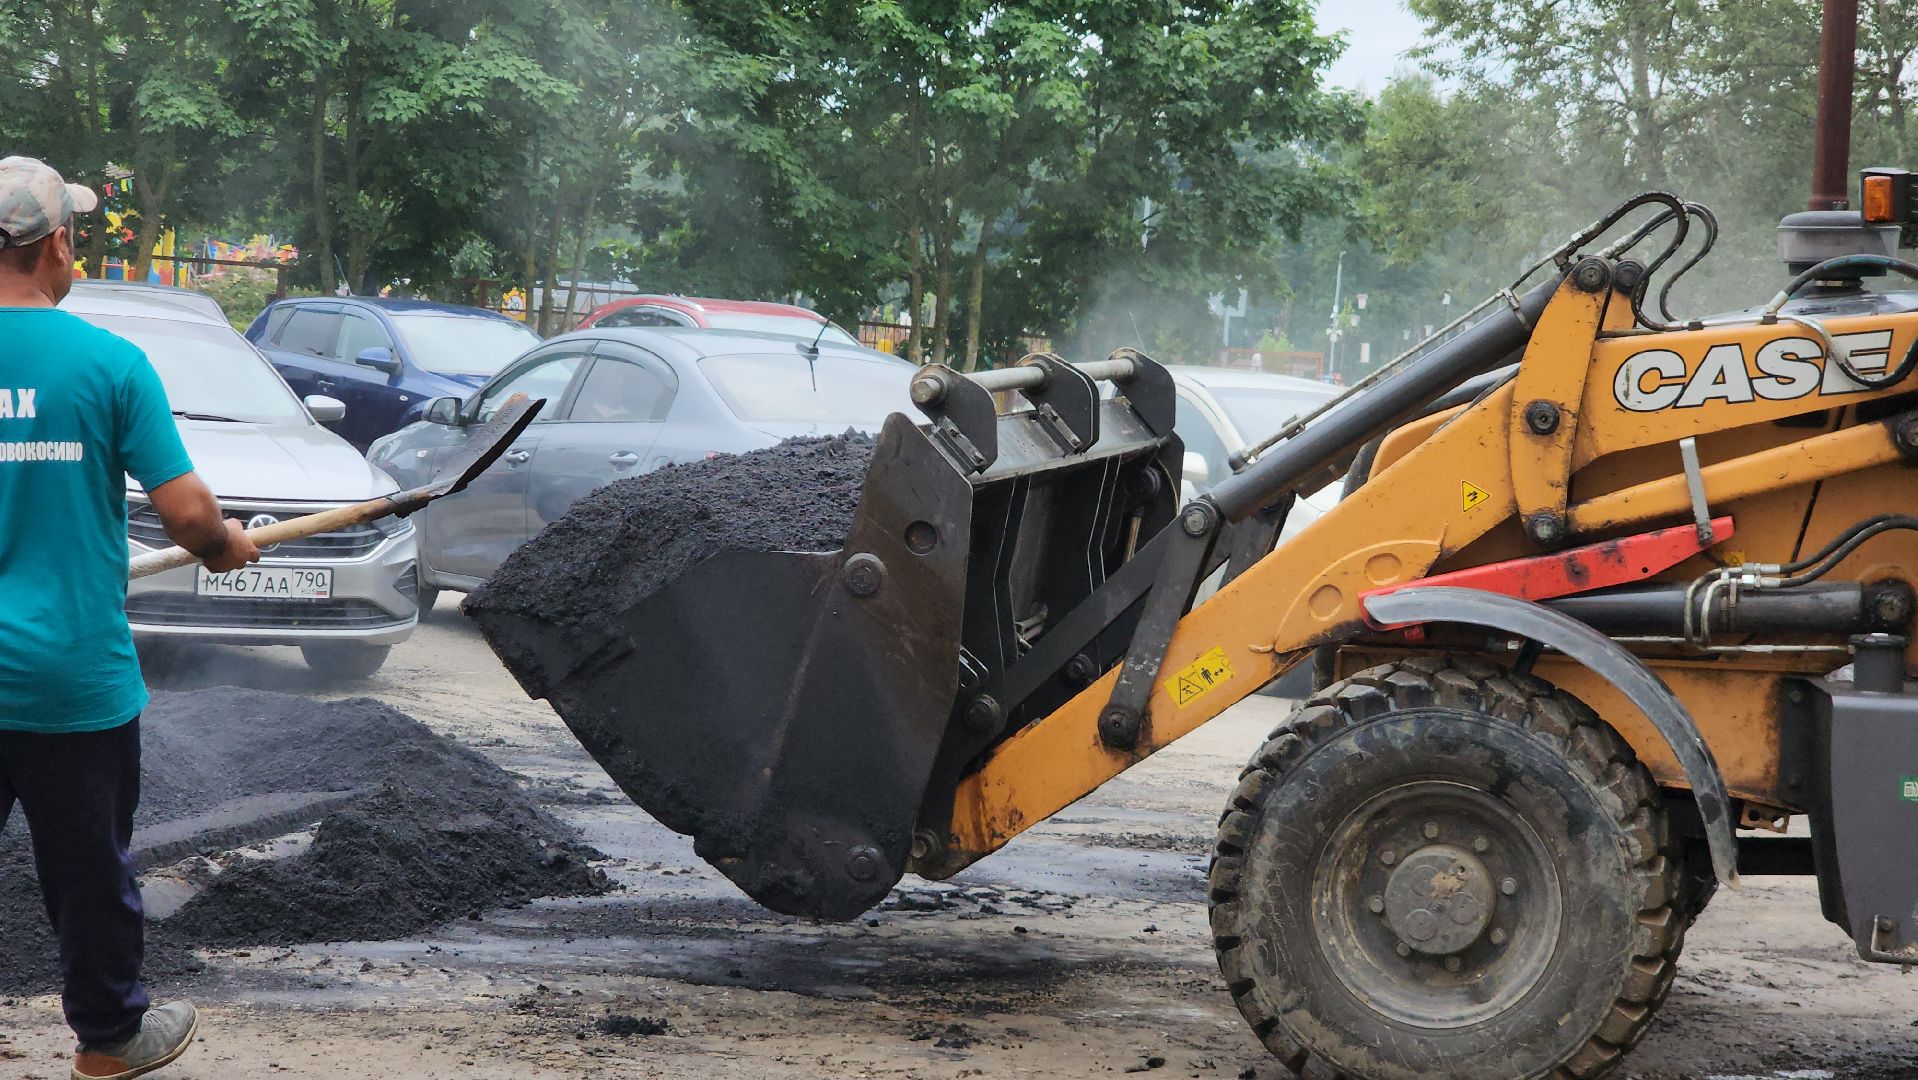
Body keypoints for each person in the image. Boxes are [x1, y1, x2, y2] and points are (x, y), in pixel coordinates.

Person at [0, 156, 260, 1080]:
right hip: (70, 678)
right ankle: (108, 1042)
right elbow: (189, 518)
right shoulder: (109, 364)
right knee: (87, 875)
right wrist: (229, 547)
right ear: (56, 243)